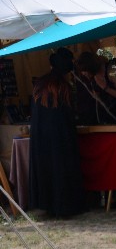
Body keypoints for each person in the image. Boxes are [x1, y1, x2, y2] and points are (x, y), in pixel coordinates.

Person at [29, 47, 86, 218]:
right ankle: (63, 205)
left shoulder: (40, 85)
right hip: (60, 136)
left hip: (41, 136)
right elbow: (68, 113)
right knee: (60, 168)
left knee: (48, 168)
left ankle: (47, 204)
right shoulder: (61, 86)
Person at [75, 52, 116, 125]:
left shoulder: (111, 71)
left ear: (90, 67)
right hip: (109, 116)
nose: (83, 73)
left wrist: (106, 88)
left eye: (84, 71)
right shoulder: (95, 76)